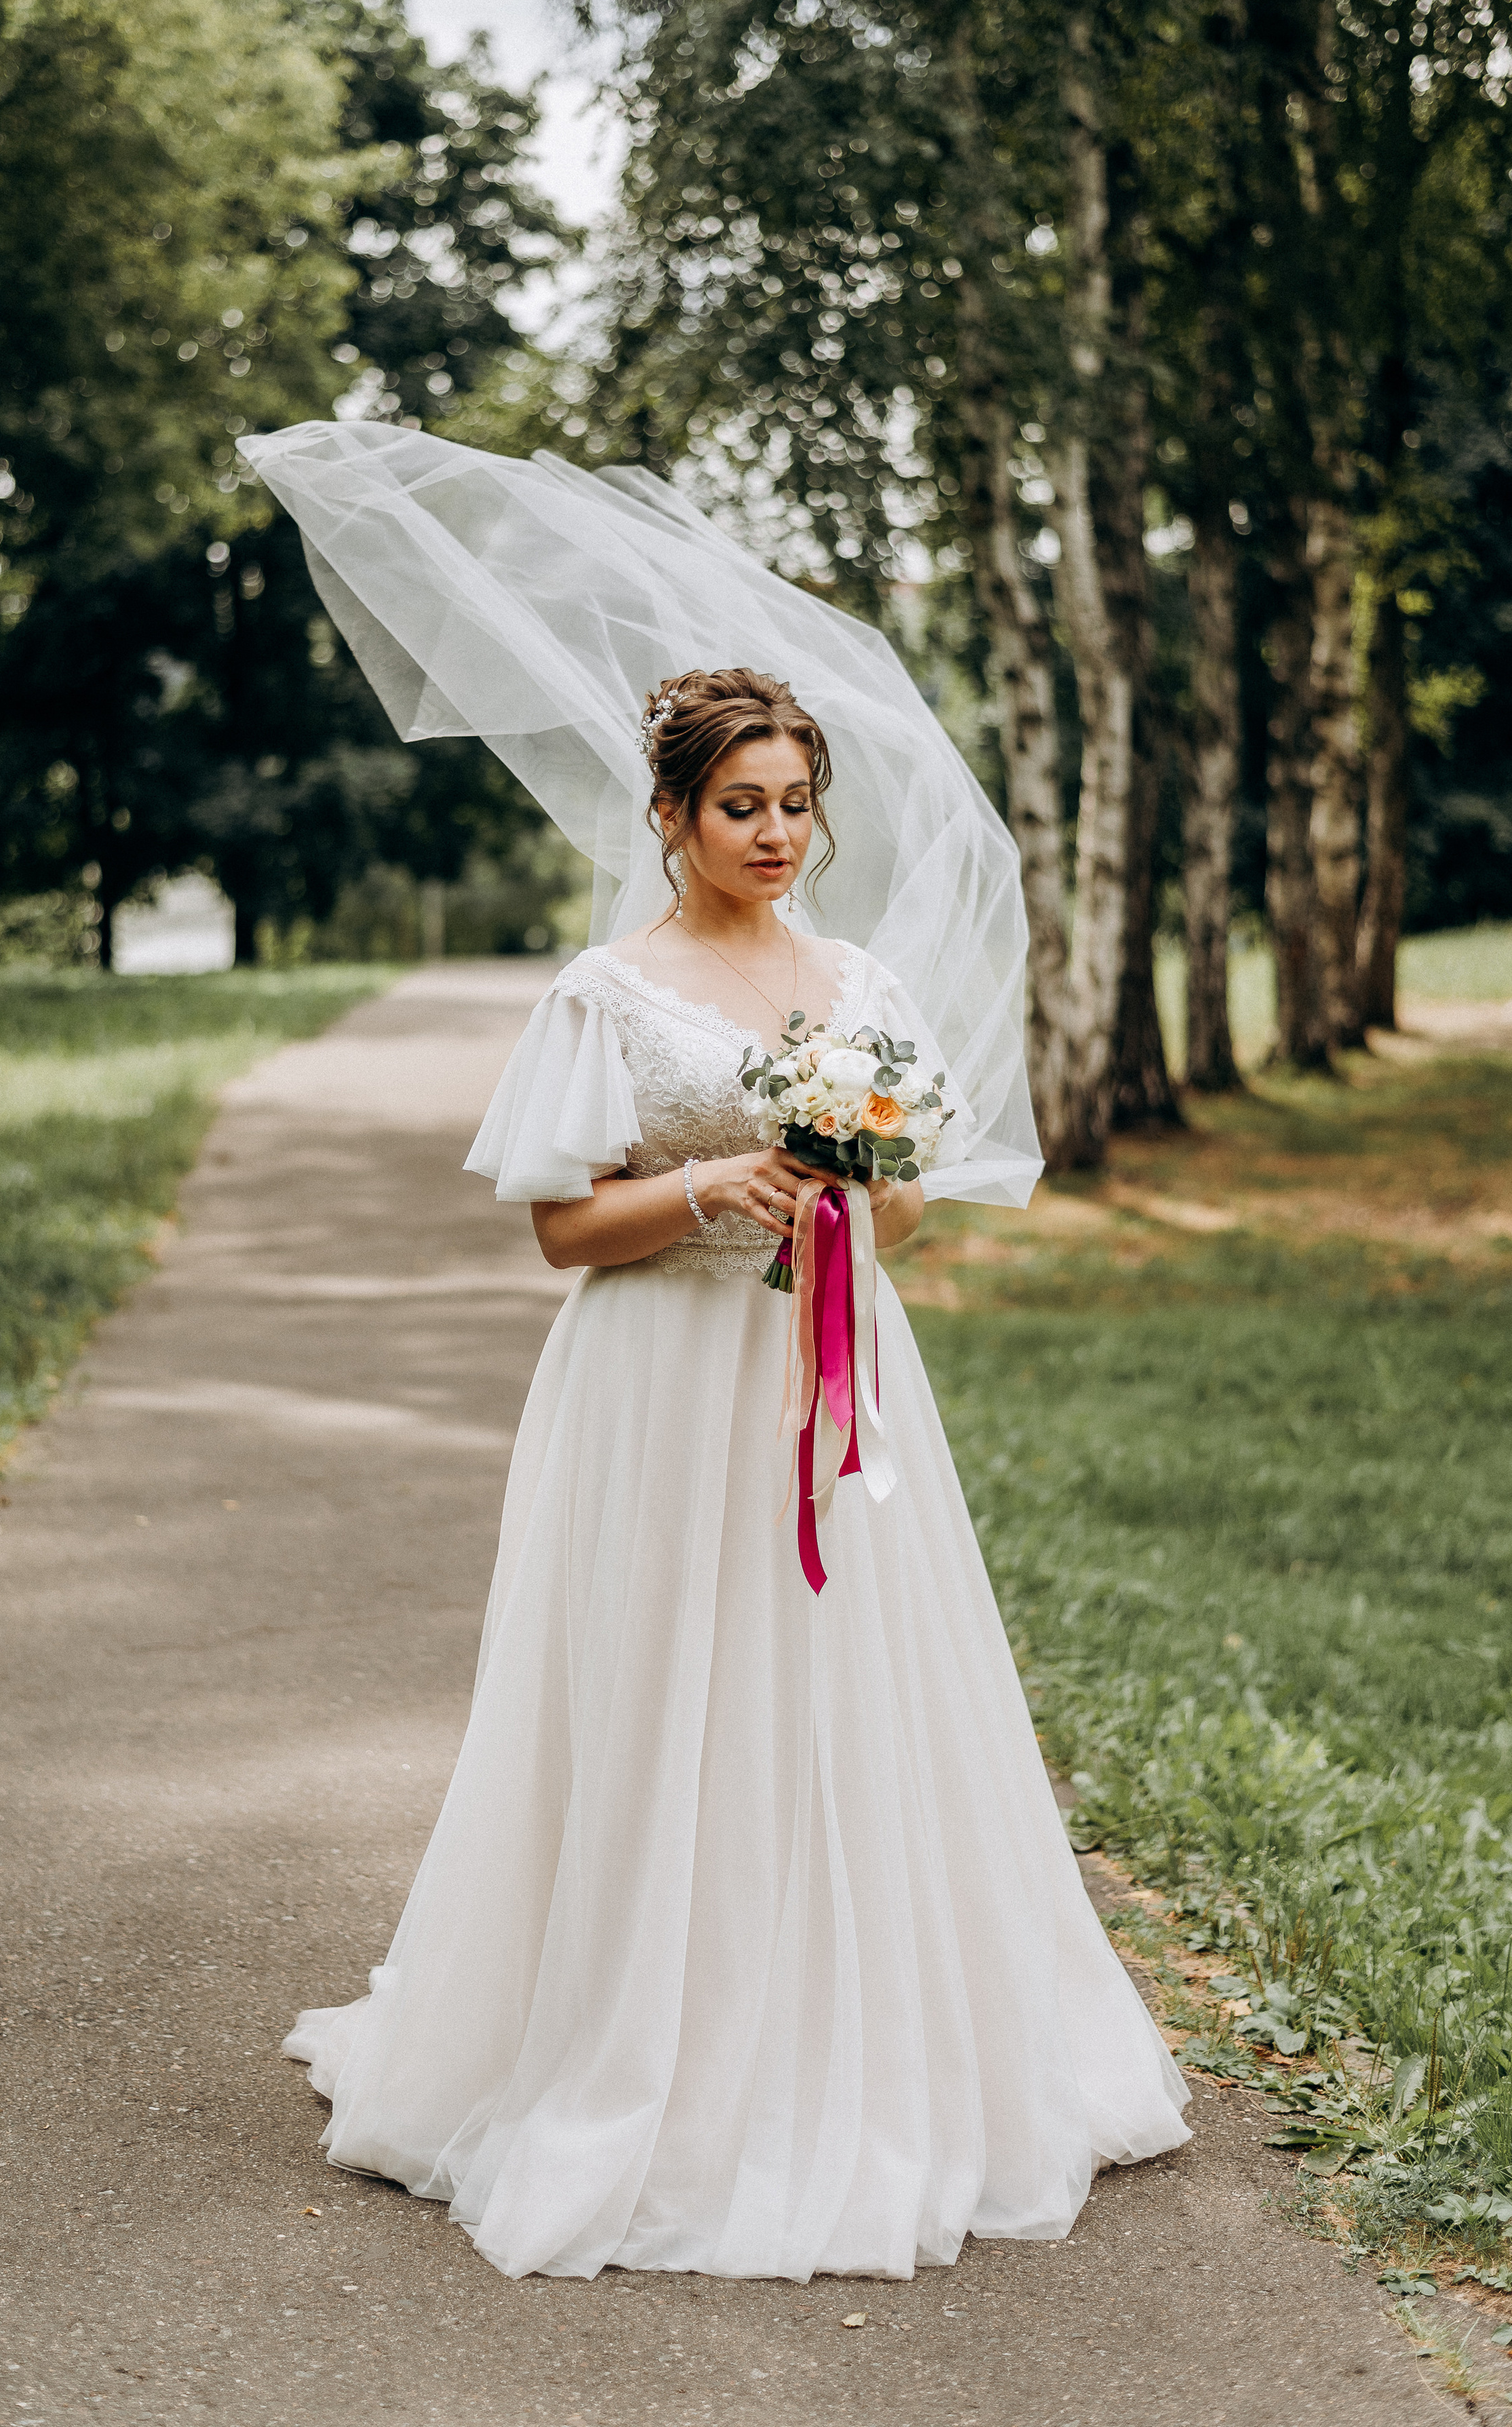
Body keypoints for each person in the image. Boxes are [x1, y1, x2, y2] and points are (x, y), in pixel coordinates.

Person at [279, 663, 1190, 2282]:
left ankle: (850, 2033)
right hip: (656, 1382)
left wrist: (849, 1184)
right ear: (672, 816)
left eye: (792, 805)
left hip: (831, 1371)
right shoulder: (608, 991)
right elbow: (562, 1228)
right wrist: (713, 1184)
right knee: (656, 1692)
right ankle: (636, 2045)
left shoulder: (857, 982)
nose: (773, 834)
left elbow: (907, 1205)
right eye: (738, 806)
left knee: (839, 1688)